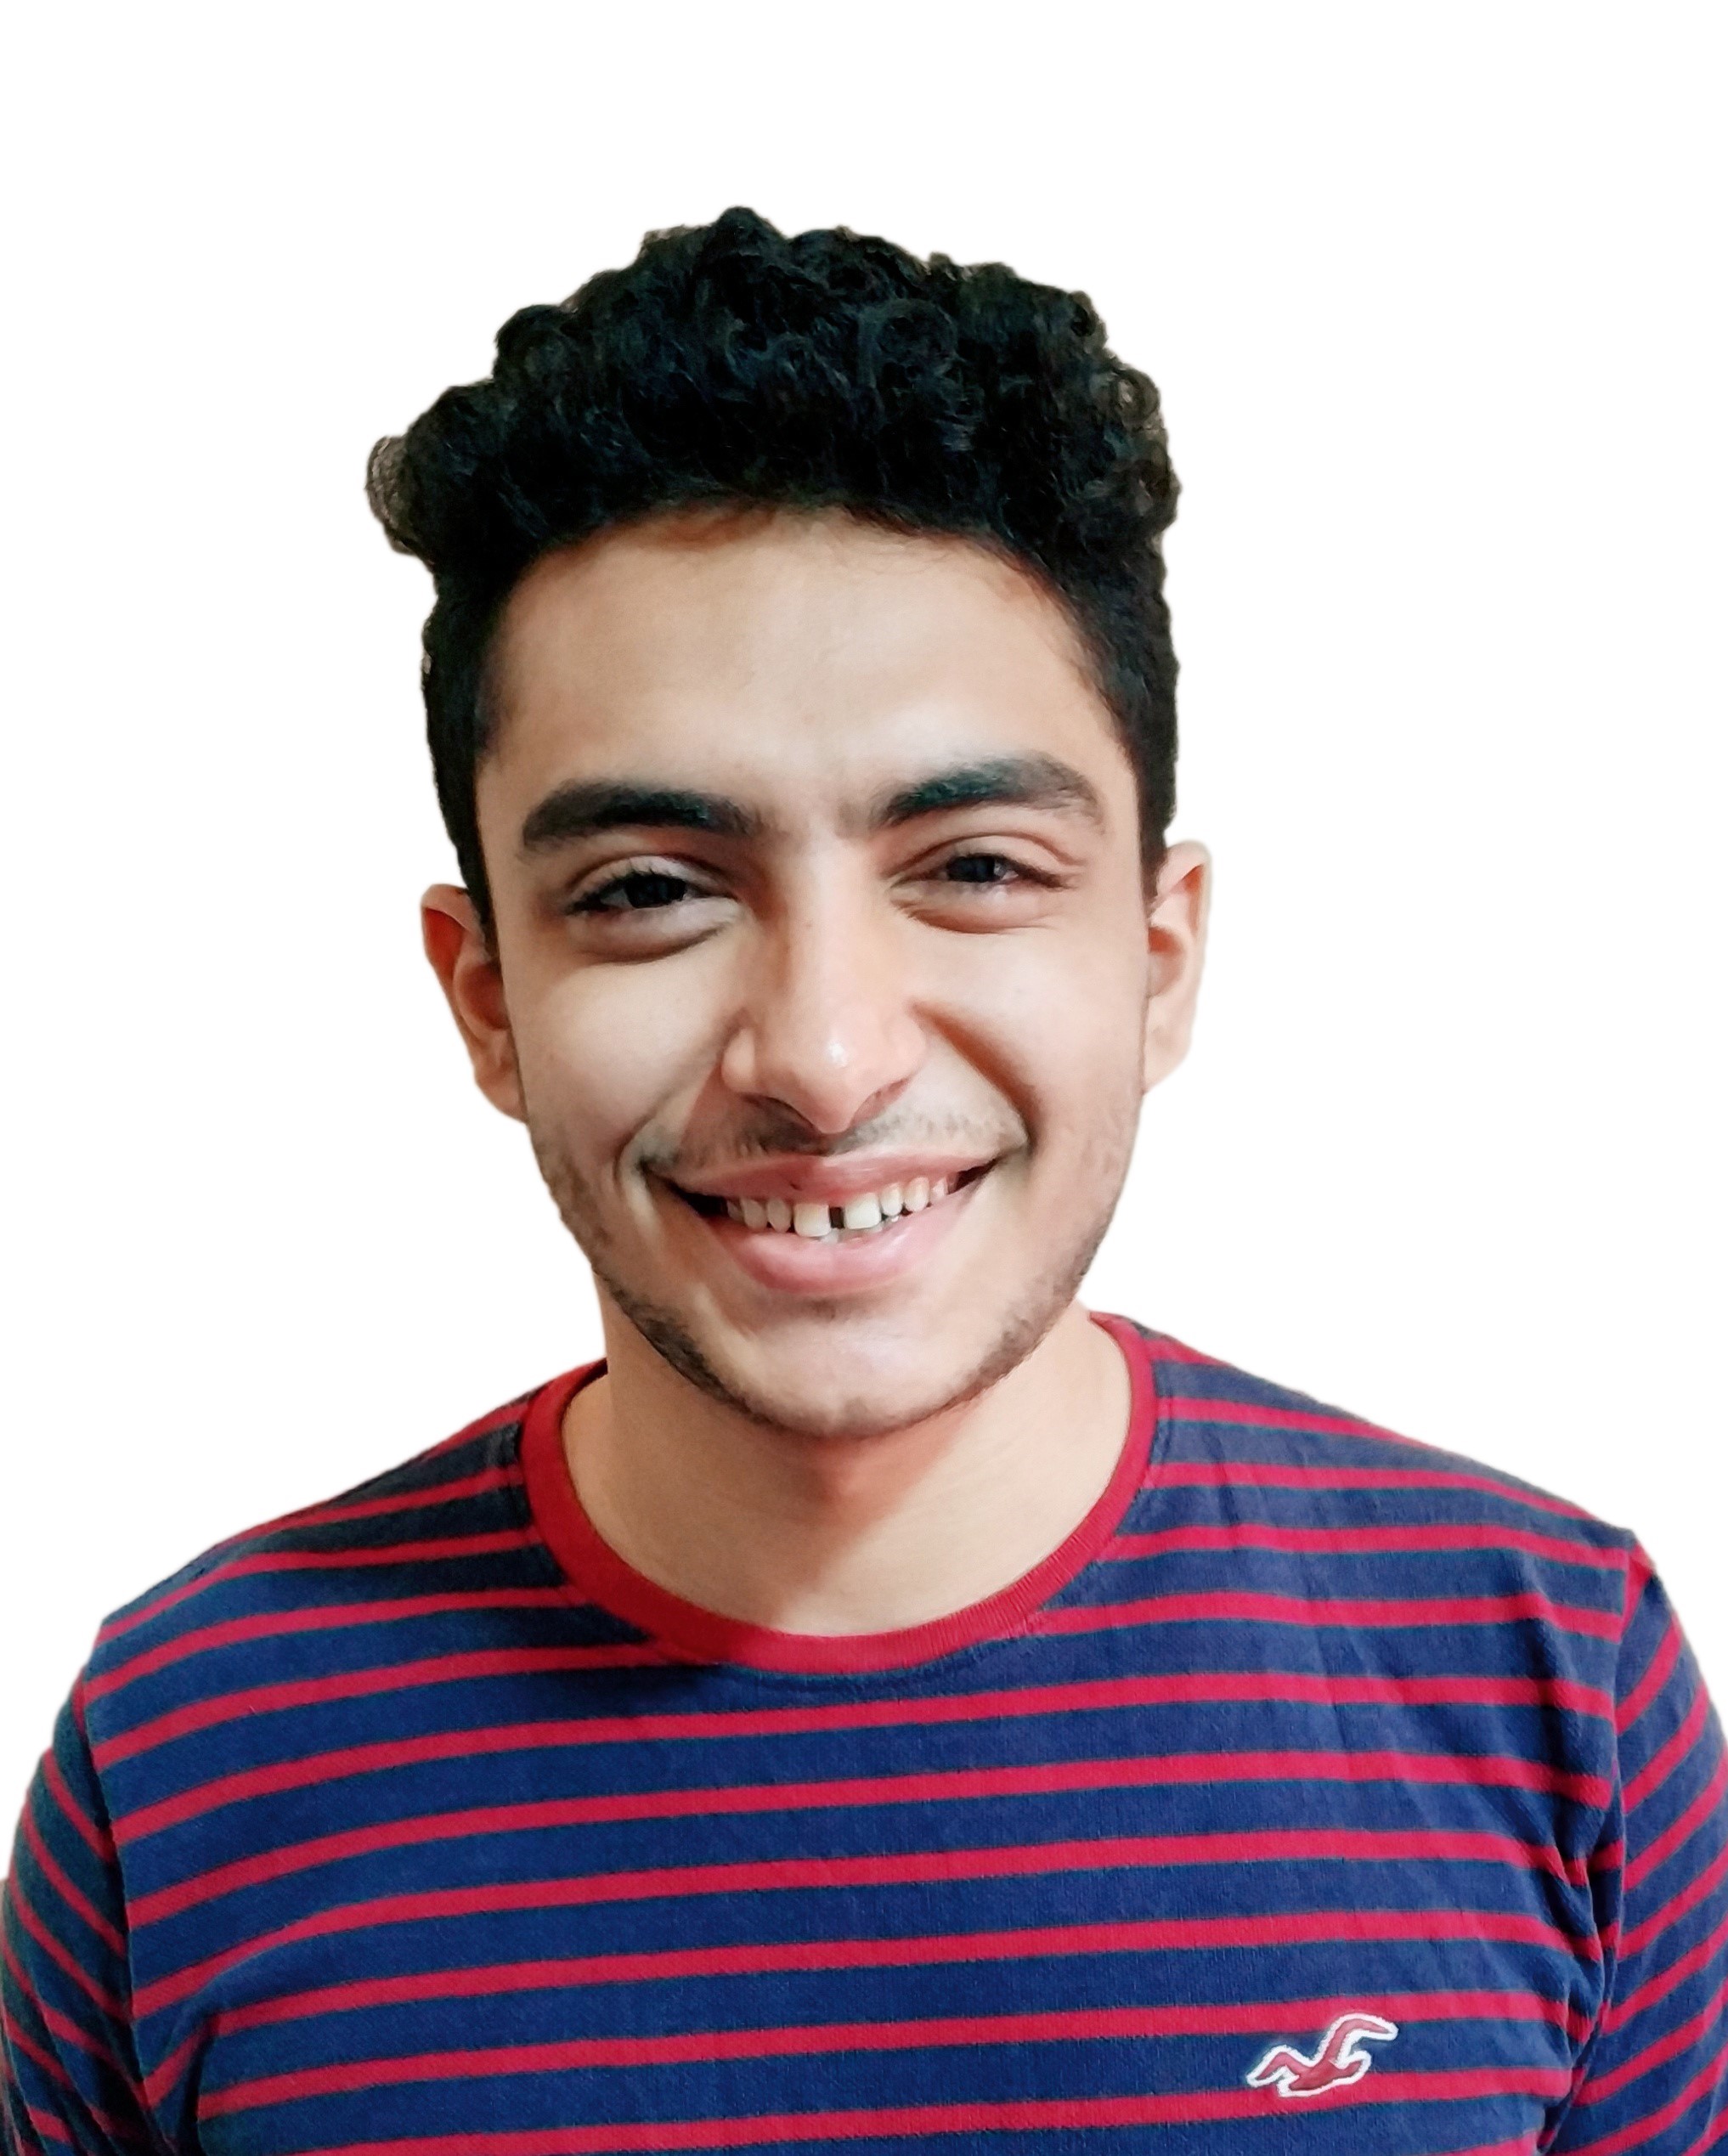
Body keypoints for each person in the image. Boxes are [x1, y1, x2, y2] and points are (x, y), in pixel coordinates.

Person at [3, 206, 1722, 2156]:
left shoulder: (1549, 1681)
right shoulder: (184, 1761)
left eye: (974, 867)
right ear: (486, 1001)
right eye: (648, 892)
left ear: (1159, 957)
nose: (825, 1057)